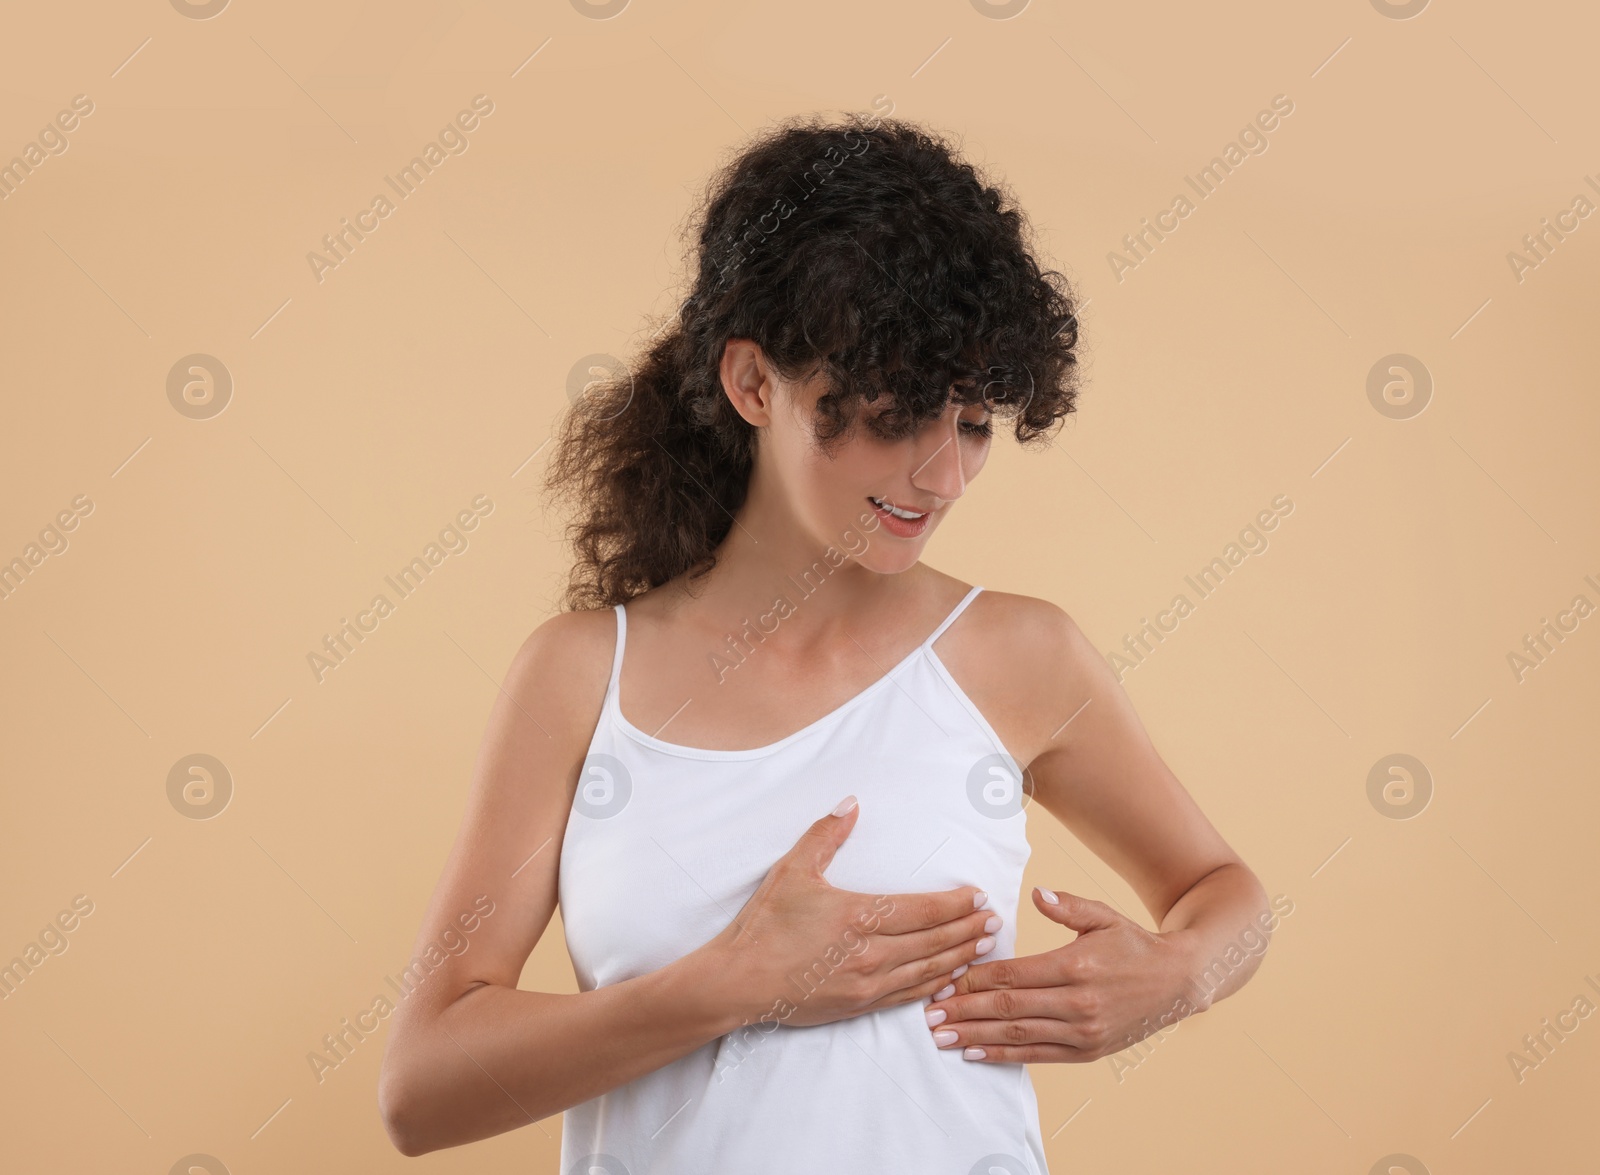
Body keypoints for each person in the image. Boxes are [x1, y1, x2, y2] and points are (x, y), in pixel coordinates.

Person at [377, 112, 1272, 1173]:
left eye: (975, 421)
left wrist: (1178, 976)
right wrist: (729, 982)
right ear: (753, 382)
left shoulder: (1017, 656)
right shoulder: (580, 677)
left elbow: (1228, 893)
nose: (943, 477)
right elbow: (418, 1086)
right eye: (894, 415)